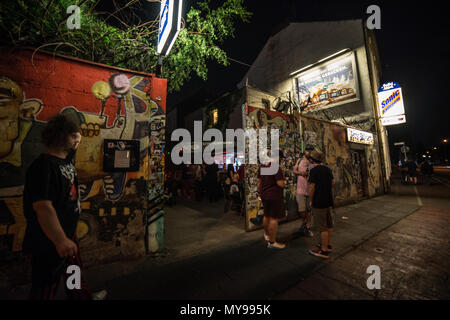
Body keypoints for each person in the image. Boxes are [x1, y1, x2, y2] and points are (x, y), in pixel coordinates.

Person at [22, 114, 106, 300]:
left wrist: (68, 237)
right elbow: (43, 207)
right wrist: (60, 240)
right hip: (48, 239)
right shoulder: (43, 167)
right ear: (60, 136)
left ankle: (81, 298)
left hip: (68, 234)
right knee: (45, 285)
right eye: (72, 135)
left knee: (73, 271)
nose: (78, 138)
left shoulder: (66, 161)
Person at [307, 149, 334, 259]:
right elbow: (332, 182)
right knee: (328, 224)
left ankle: (323, 251)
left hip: (319, 201)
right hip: (328, 200)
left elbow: (312, 187)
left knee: (322, 227)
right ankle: (327, 245)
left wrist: (311, 199)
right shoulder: (327, 169)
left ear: (313, 159)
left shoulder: (314, 171)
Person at [257, 151, 286, 249]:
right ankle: (272, 242)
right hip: (274, 196)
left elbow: (259, 182)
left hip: (264, 195)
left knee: (266, 215)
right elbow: (280, 184)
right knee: (274, 218)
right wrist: (284, 182)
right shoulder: (276, 167)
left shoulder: (262, 166)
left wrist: (260, 192)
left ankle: (267, 235)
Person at [293, 146, 315, 237]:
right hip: (300, 188)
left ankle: (307, 227)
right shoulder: (300, 160)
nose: (309, 152)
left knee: (309, 209)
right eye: (308, 151)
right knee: (301, 209)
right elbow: (294, 170)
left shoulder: (312, 162)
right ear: (305, 151)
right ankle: (305, 224)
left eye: (310, 151)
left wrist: (309, 174)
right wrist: (301, 173)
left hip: (309, 189)